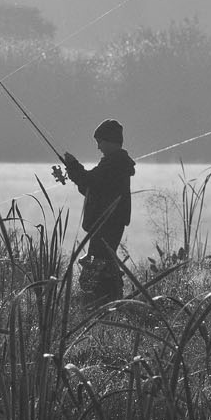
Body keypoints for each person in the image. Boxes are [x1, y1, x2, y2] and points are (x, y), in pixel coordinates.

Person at [62, 118, 136, 300]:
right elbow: (93, 188)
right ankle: (109, 298)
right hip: (107, 223)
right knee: (104, 263)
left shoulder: (114, 163)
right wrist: (76, 174)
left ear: (110, 141)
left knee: (100, 264)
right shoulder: (115, 163)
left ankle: (102, 300)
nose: (98, 147)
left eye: (100, 142)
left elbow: (89, 181)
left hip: (108, 223)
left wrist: (73, 166)